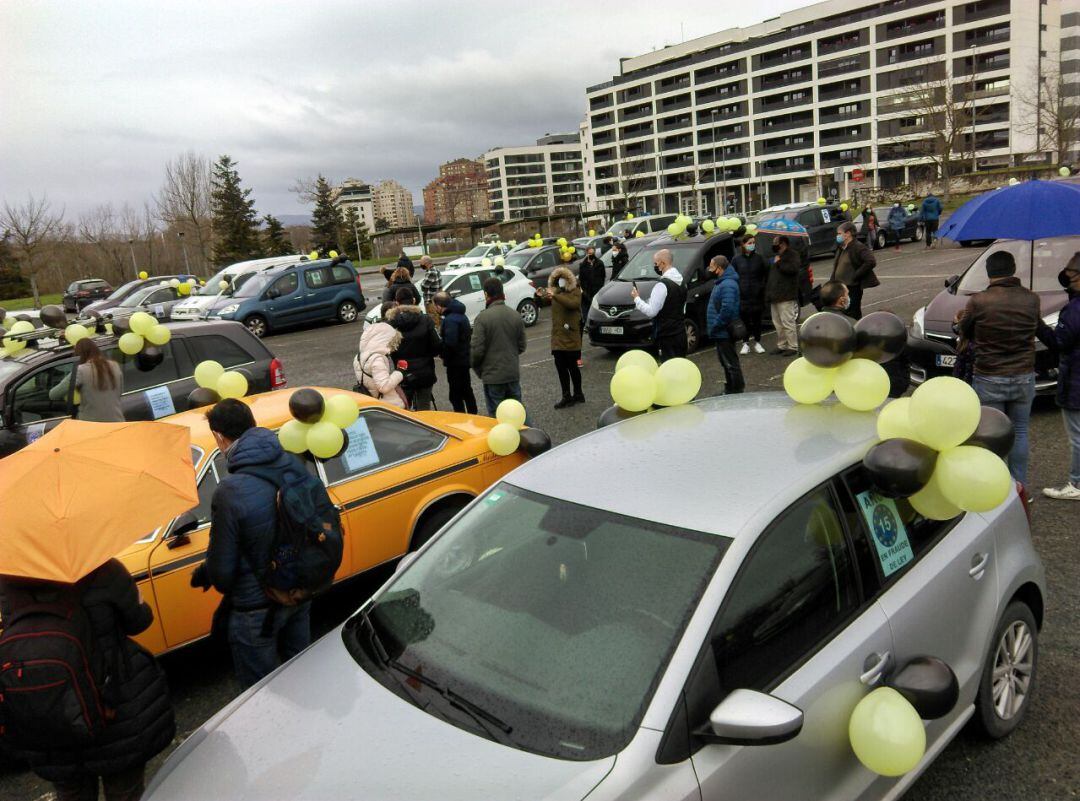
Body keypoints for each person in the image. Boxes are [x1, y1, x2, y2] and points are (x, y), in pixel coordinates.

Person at [0, 561, 175, 801]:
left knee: (71, 792)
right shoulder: (105, 569)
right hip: (114, 705)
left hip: (52, 712)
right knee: (125, 792)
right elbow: (140, 621)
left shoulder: (10, 582)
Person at [190, 399, 313, 689]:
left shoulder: (230, 491)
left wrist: (207, 572)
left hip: (256, 608)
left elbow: (222, 573)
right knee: (304, 677)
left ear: (219, 436)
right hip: (299, 593)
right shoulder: (292, 462)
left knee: (264, 694)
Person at [958, 251, 1057, 483]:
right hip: (1023, 375)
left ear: (988, 272)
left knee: (991, 435)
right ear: (1013, 270)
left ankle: (997, 486)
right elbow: (1039, 328)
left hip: (989, 376)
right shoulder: (1031, 299)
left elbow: (964, 331)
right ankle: (1019, 486)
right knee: (1020, 432)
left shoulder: (978, 301)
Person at [1044, 256, 1080, 500]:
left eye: (1070, 273)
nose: (1065, 277)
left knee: (1077, 436)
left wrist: (1038, 326)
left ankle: (1076, 484)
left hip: (1076, 379)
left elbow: (1059, 342)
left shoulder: (1074, 309)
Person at [471, 276, 528, 416]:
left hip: (492, 376)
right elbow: (522, 346)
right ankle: (526, 436)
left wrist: (478, 369)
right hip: (512, 372)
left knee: (498, 416)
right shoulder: (515, 315)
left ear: (486, 294)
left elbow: (476, 351)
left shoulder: (482, 318)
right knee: (517, 412)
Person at [387, 293, 442, 411]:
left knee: (404, 408)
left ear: (397, 303)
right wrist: (427, 355)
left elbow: (388, 348)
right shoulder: (425, 319)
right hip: (425, 370)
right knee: (424, 407)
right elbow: (437, 345)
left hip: (402, 372)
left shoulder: (391, 323)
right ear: (413, 301)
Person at [631, 248, 687, 361]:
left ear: (663, 263)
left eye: (655, 263)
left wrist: (636, 298)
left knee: (668, 371)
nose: (655, 266)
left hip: (667, 335)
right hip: (681, 332)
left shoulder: (662, 285)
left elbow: (652, 312)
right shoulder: (681, 281)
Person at [49, 338, 124, 422]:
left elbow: (53, 394)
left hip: (92, 425)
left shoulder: (81, 370)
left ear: (79, 354)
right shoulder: (114, 365)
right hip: (117, 422)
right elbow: (119, 392)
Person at [541, 266, 585, 408]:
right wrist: (541, 294)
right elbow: (547, 300)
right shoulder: (556, 292)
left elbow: (573, 304)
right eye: (557, 280)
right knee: (560, 367)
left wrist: (555, 296)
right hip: (558, 337)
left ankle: (578, 394)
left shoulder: (575, 291)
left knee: (573, 367)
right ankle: (566, 395)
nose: (560, 283)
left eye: (562, 280)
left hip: (571, 336)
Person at [354, 303, 407, 408]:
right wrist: (400, 372)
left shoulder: (358, 357)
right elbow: (384, 386)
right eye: (391, 342)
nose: (392, 348)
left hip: (371, 400)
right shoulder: (377, 359)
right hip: (388, 404)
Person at [706, 255, 745, 394]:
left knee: (731, 362)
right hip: (720, 331)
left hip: (724, 331)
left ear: (719, 268)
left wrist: (716, 325)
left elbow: (727, 309)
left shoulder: (728, 284)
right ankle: (730, 387)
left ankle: (736, 389)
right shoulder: (721, 282)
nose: (709, 269)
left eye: (711, 266)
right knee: (725, 361)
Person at [433, 291, 477, 414]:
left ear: (439, 306)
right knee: (467, 391)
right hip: (464, 359)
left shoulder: (450, 320)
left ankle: (462, 418)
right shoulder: (460, 314)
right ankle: (473, 416)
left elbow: (450, 343)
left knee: (456, 395)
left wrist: (443, 354)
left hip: (455, 363)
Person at [831, 221, 879, 319]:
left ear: (847, 234)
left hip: (852, 288)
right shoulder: (842, 247)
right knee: (843, 313)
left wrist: (856, 275)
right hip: (841, 287)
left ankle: (856, 331)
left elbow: (870, 261)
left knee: (853, 313)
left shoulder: (858, 247)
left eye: (839, 234)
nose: (837, 236)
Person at [732, 234, 767, 355]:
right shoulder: (736, 260)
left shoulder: (759, 258)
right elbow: (733, 276)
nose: (752, 245)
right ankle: (745, 343)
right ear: (743, 244)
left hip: (757, 296)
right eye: (749, 243)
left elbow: (765, 274)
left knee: (757, 321)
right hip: (743, 296)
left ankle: (757, 342)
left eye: (753, 243)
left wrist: (762, 287)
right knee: (745, 321)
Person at [765, 235, 800, 356]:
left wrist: (779, 262)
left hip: (786, 295)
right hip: (774, 295)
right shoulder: (777, 256)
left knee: (787, 322)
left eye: (776, 243)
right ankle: (782, 345)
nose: (774, 245)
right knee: (778, 323)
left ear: (783, 243)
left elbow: (793, 269)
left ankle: (793, 346)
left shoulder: (792, 255)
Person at [577, 246, 606, 329]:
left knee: (597, 308)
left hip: (596, 289)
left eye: (592, 253)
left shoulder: (600, 263)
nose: (591, 255)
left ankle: (598, 325)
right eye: (589, 253)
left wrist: (600, 288)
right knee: (586, 308)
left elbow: (602, 276)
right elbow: (581, 279)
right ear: (587, 253)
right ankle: (587, 325)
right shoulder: (583, 265)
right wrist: (583, 290)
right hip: (586, 290)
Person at [418, 255, 442, 328]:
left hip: (431, 301)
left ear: (426, 263)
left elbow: (424, 287)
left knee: (434, 322)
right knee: (437, 320)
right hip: (436, 300)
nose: (420, 265)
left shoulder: (431, 272)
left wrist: (422, 284)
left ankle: (437, 337)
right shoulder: (436, 270)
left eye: (421, 263)